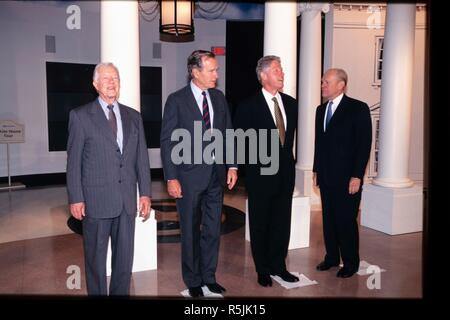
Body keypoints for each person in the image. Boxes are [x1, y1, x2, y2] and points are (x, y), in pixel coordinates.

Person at [66, 62, 152, 295]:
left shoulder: (133, 117)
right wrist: (76, 197)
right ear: (95, 85)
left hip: (126, 202)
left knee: (124, 261)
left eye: (115, 78)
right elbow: (73, 162)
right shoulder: (81, 116)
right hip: (96, 201)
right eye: (106, 78)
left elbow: (141, 158)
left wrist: (145, 193)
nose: (111, 82)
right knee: (95, 261)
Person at [160, 50, 237, 298]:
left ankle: (209, 277)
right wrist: (171, 178)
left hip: (216, 176)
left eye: (216, 70)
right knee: (191, 230)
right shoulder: (176, 100)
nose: (217, 74)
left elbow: (228, 133)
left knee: (213, 230)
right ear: (195, 72)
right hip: (187, 178)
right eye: (212, 70)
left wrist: (233, 165)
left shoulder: (218, 97)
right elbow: (168, 141)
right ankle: (193, 279)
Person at [233, 56, 299, 287]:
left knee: (282, 223)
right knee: (260, 224)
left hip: (285, 176)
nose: (282, 74)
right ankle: (262, 269)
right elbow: (240, 143)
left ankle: (279, 267)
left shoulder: (291, 104)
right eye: (276, 70)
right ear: (263, 76)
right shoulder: (248, 105)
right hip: (260, 177)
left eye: (282, 70)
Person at [313, 68, 372, 278]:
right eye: (322, 82)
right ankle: (331, 258)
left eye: (327, 82)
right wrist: (316, 169)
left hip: (349, 179)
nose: (323, 85)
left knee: (346, 221)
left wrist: (357, 175)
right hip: (326, 176)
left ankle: (350, 263)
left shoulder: (358, 108)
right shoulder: (320, 110)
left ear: (341, 85)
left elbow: (364, 144)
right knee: (329, 219)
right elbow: (319, 143)